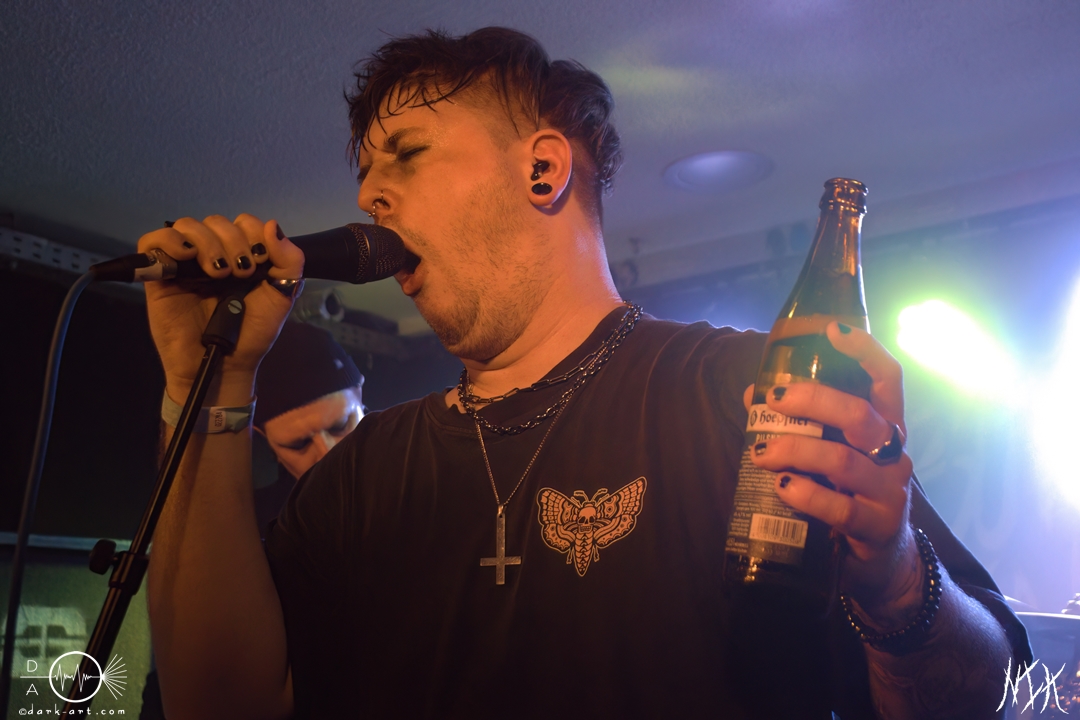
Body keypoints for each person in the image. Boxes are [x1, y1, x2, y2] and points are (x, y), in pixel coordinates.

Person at [139, 27, 1029, 719]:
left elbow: (991, 694)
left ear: (542, 168)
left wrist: (897, 582)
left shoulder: (747, 393)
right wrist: (205, 385)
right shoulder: (360, 473)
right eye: (365, 173)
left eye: (406, 153)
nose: (370, 195)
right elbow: (218, 706)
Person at [139, 320, 364, 719]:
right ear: (261, 437)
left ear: (361, 395)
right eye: (299, 444)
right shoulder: (245, 531)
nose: (328, 455)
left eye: (340, 425)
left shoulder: (419, 485)